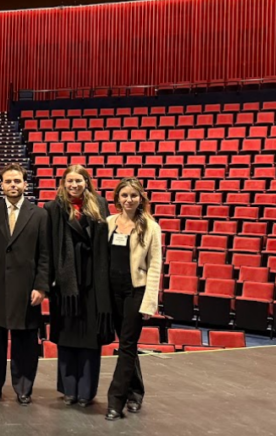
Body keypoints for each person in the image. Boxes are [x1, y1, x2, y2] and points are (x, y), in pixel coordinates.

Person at [0, 162, 49, 406]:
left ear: (25, 184)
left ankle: (23, 388)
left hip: (26, 289)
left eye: (17, 181)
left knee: (25, 344)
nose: (13, 185)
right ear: (2, 184)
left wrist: (41, 287)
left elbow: (44, 255)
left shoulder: (39, 214)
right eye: (8, 181)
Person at [46, 165, 114, 407]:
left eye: (78, 181)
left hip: (92, 282)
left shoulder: (100, 204)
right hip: (65, 285)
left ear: (87, 182)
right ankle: (68, 390)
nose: (74, 185)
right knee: (66, 339)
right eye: (69, 181)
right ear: (63, 183)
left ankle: (86, 391)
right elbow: (48, 247)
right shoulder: (53, 207)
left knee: (89, 339)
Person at [105, 178, 162, 421]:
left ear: (141, 199)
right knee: (128, 345)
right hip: (112, 293)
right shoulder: (108, 223)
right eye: (124, 195)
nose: (129, 200)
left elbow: (155, 266)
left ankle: (116, 401)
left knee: (126, 345)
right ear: (117, 197)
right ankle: (136, 391)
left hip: (134, 293)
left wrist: (149, 302)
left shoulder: (150, 227)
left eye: (134, 196)